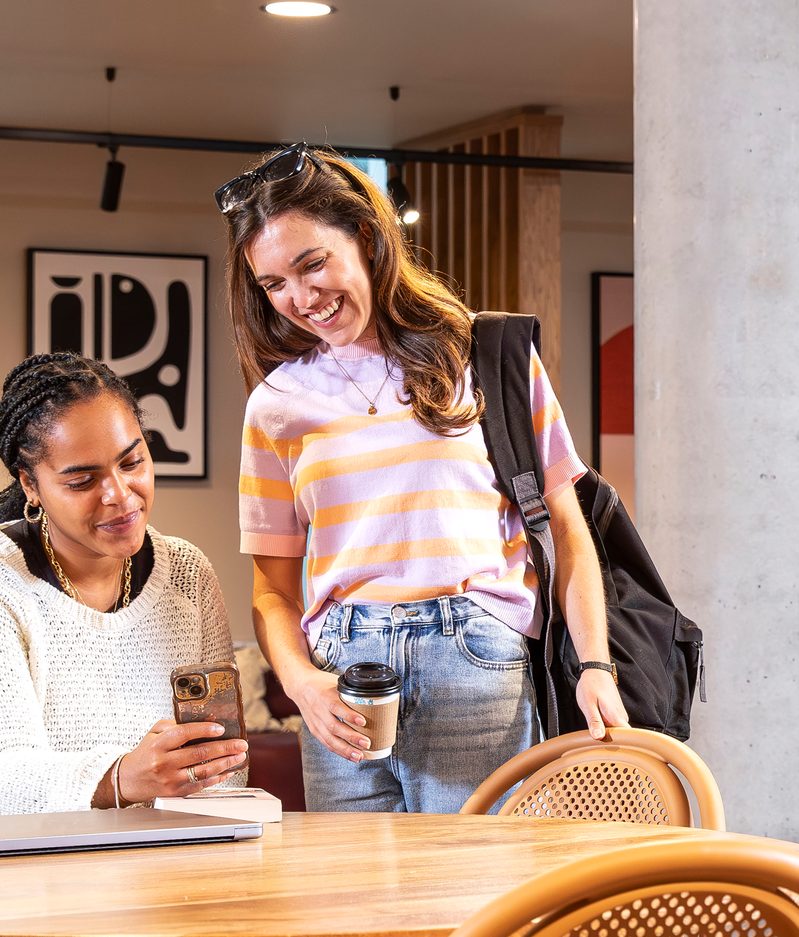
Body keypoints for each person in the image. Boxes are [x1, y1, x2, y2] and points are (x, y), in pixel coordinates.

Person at [226, 145, 626, 813]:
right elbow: (271, 591)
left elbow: (566, 521)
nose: (299, 298)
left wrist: (595, 665)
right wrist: (300, 685)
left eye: (312, 263)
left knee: (477, 900)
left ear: (367, 238)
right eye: (273, 284)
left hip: (474, 659)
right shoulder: (275, 405)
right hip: (339, 679)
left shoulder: (488, 355)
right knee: (353, 902)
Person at [0, 353, 251, 821]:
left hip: (90, 865)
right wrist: (122, 777)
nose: (119, 494)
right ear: (31, 485)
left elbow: (225, 764)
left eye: (133, 461)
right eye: (82, 481)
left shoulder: (188, 575)